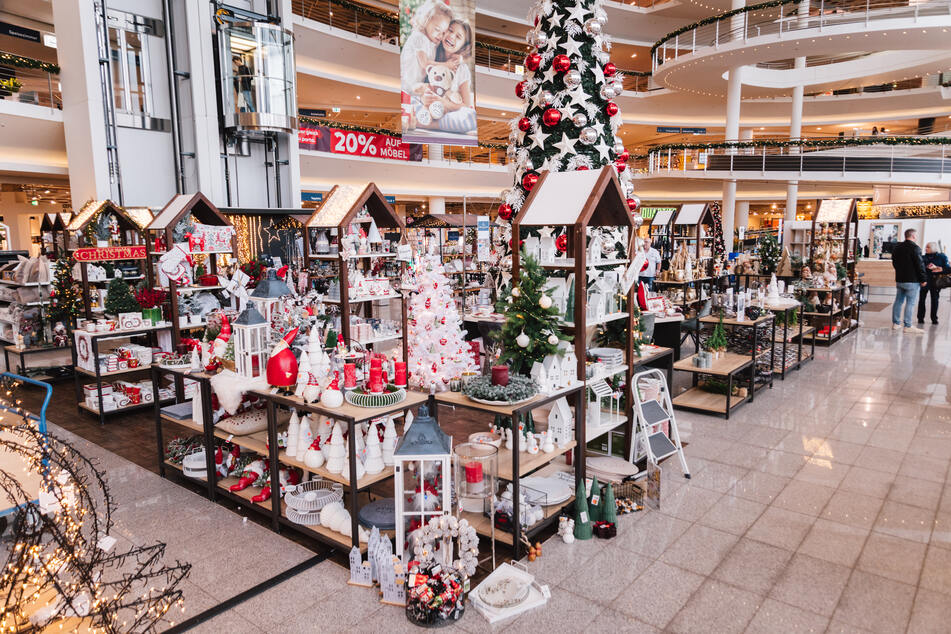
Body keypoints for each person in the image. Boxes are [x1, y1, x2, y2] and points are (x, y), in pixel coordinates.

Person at [419, 19, 476, 134]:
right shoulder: (431, 51)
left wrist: (443, 102)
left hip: (448, 110)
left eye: (458, 37)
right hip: (427, 107)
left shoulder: (461, 68)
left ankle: (424, 124)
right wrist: (423, 99)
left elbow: (466, 105)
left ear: (464, 45)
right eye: (450, 30)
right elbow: (419, 86)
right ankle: (427, 122)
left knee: (470, 116)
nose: (451, 36)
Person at [891, 228, 927, 333]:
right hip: (912, 281)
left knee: (898, 301)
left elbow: (894, 263)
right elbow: (920, 265)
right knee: (910, 303)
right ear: (913, 236)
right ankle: (908, 325)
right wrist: (923, 279)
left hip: (900, 279)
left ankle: (896, 323)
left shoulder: (897, 247)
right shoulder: (915, 248)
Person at [917, 242, 950, 325]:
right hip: (924, 281)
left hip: (936, 282)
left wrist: (940, 268)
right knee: (922, 300)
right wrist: (926, 268)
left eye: (928, 247)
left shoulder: (942, 257)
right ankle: (920, 318)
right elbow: (919, 269)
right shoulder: (922, 257)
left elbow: (948, 269)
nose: (925, 249)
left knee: (935, 300)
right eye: (926, 247)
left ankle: (934, 318)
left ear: (933, 248)